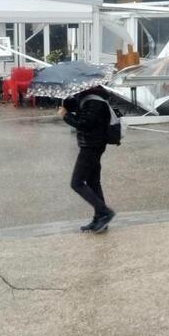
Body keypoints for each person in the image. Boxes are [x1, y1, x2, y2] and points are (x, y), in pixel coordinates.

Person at [57, 86, 116, 233]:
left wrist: (65, 116)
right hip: (93, 144)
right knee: (93, 182)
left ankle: (104, 212)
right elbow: (77, 107)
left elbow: (84, 124)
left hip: (91, 146)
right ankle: (100, 219)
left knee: (76, 183)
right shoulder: (88, 97)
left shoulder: (94, 101)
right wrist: (65, 103)